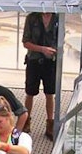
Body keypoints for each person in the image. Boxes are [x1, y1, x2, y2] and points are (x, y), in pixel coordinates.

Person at [22, 11, 59, 141]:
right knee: (30, 92)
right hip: (34, 60)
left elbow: (61, 40)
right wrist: (42, 49)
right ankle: (25, 122)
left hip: (50, 62)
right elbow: (26, 42)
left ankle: (50, 124)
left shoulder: (58, 17)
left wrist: (54, 51)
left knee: (50, 93)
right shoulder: (32, 18)